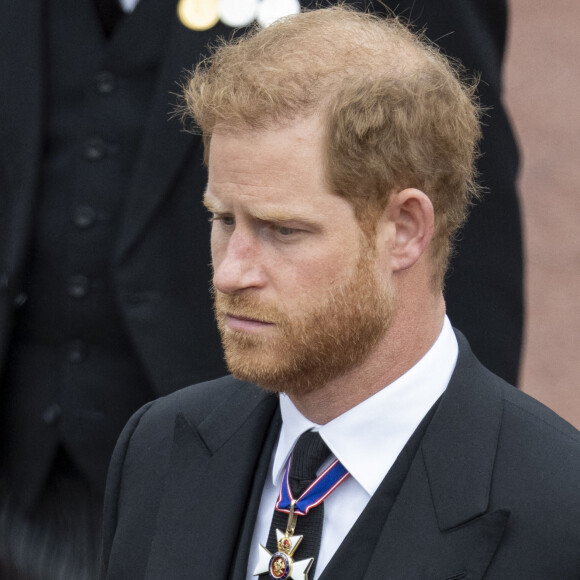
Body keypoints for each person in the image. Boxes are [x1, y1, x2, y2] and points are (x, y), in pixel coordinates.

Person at [0, 0, 521, 577]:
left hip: (254, 463)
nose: (229, 271)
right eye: (221, 222)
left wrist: (461, 487)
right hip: (25, 452)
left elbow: (455, 201)